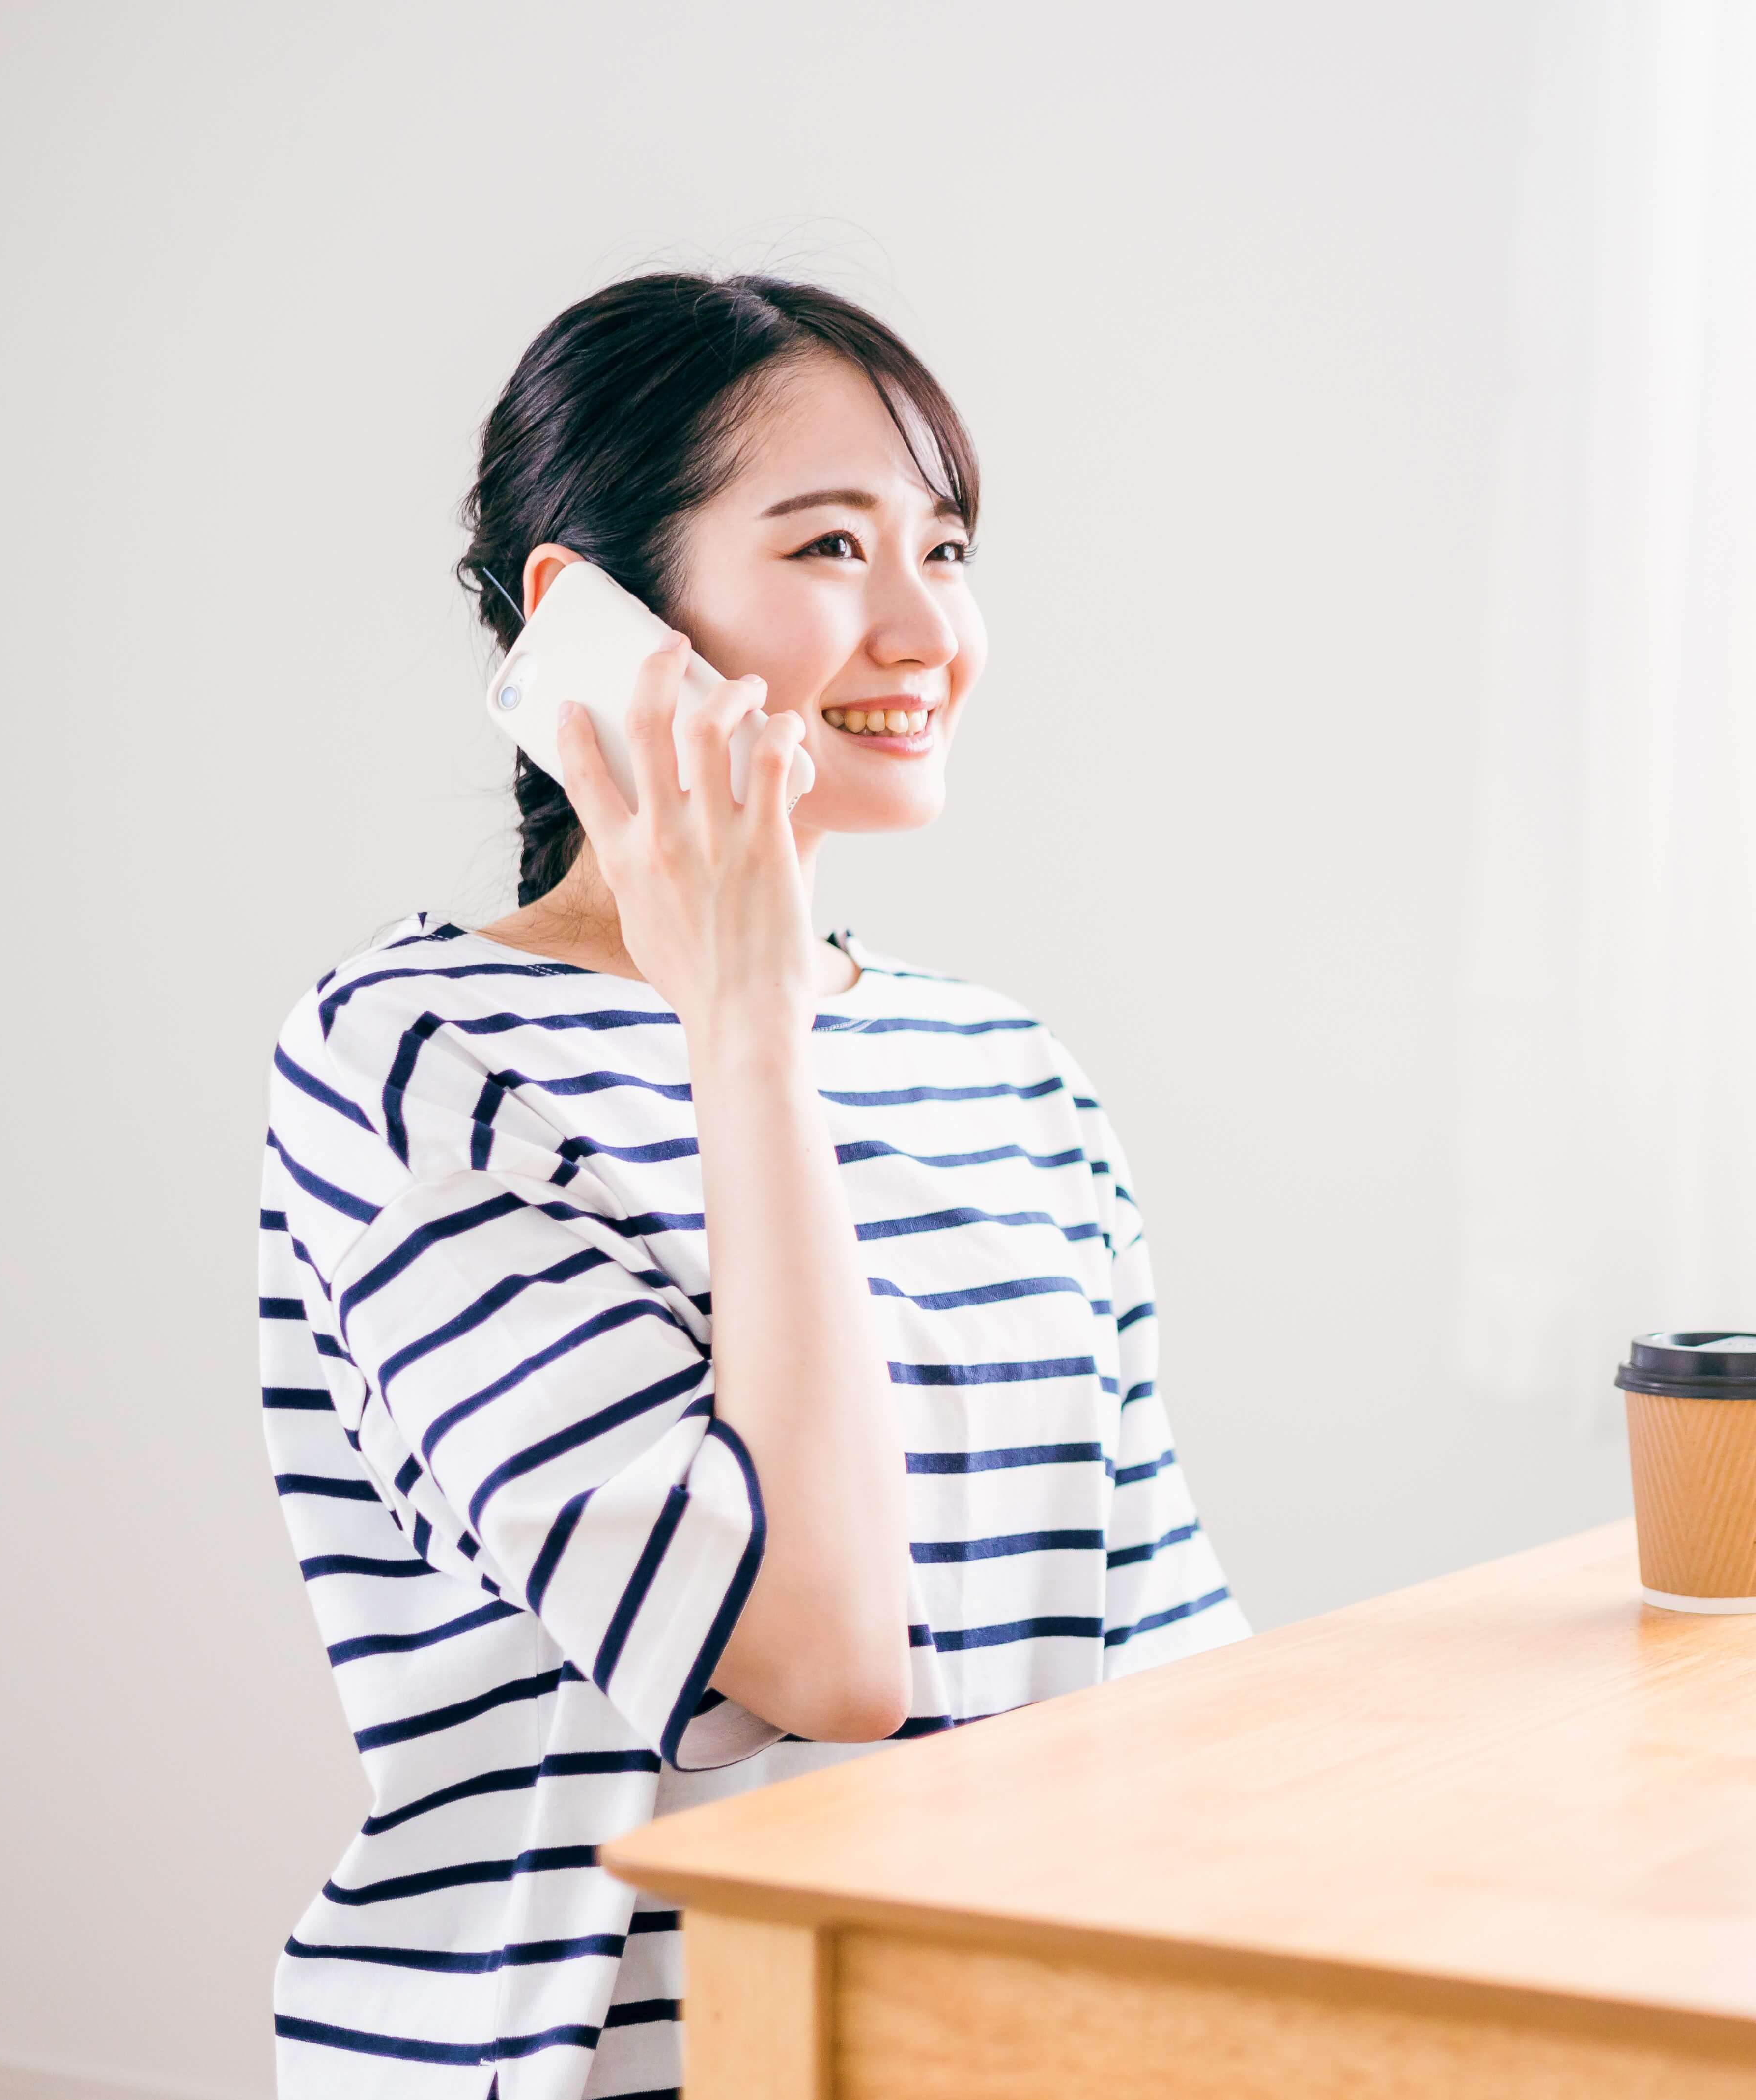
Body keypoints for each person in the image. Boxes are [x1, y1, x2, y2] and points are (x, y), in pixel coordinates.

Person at [258, 271, 1249, 2100]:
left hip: (979, 2052)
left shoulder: (1006, 1069)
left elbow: (1163, 1675)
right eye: (824, 546)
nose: (920, 629)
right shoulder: (415, 1051)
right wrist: (743, 1016)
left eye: (944, 550)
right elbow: (819, 1659)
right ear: (591, 620)